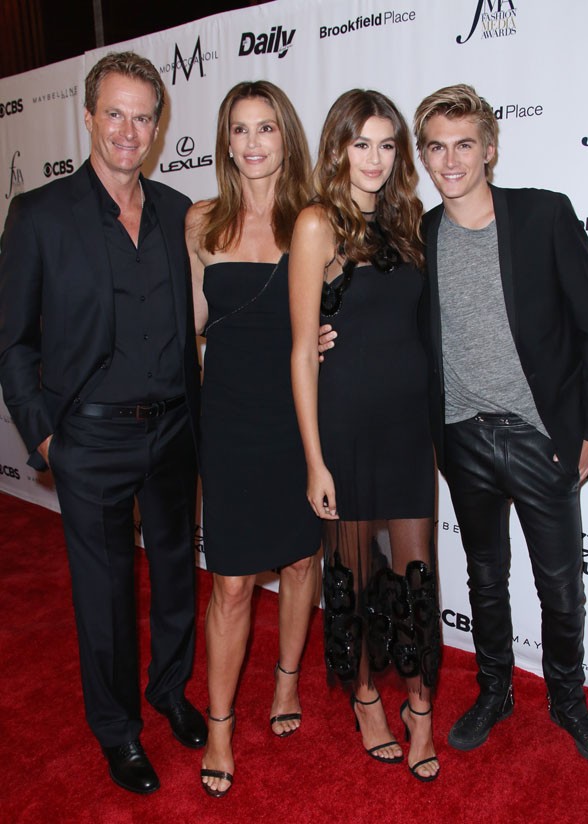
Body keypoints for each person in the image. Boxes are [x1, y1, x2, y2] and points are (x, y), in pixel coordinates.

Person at [0, 52, 207, 795]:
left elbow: (216, 314)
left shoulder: (183, 212)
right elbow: (12, 339)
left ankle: (170, 692)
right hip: (89, 436)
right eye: (114, 113)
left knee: (178, 578)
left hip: (175, 430)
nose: (129, 130)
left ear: (158, 127)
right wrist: (46, 435)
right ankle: (118, 731)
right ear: (87, 116)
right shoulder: (41, 216)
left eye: (142, 116)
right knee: (107, 595)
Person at [412, 84, 588, 765]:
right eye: (436, 146)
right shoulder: (425, 230)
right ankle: (495, 690)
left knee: (560, 584)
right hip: (462, 436)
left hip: (540, 437)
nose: (450, 160)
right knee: (484, 576)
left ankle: (568, 701)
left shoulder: (542, 216)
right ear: (424, 155)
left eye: (463, 144)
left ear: (489, 150)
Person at [290, 89, 441, 783]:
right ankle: (366, 698)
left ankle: (420, 706)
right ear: (338, 147)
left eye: (387, 144)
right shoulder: (320, 224)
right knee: (349, 573)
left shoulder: (409, 222)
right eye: (362, 144)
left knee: (414, 573)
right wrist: (315, 460)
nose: (375, 159)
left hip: (408, 424)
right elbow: (299, 348)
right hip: (346, 420)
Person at [185, 81, 321, 799]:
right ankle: (218, 726)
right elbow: (198, 326)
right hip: (232, 422)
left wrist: (330, 336)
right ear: (226, 141)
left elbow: (338, 322)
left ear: (285, 137)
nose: (253, 142)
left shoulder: (315, 222)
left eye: (266, 127)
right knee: (231, 583)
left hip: (299, 420)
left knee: (301, 560)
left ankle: (288, 682)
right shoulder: (201, 222)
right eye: (240, 129)